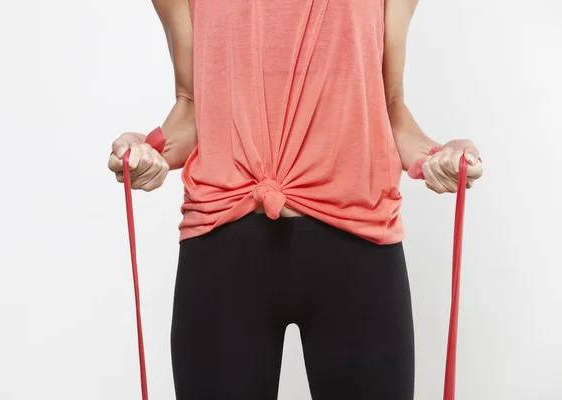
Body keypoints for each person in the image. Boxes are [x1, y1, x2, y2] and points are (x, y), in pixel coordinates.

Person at [107, 0, 484, 398]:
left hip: (358, 244)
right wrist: (149, 150)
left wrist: (435, 156)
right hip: (224, 250)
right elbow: (191, 105)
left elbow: (389, 104)